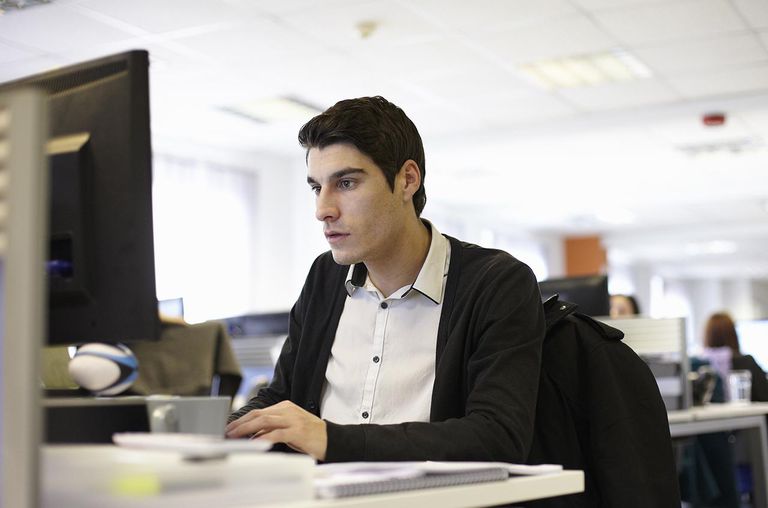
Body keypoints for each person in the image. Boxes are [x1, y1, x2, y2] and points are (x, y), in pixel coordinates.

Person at [225, 96, 545, 463]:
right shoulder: (325, 278)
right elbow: (282, 397)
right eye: (317, 187)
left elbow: (498, 436)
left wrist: (332, 439)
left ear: (407, 180)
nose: (322, 210)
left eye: (345, 183)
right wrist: (221, 433)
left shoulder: (496, 284)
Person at [703, 311, 768, 402]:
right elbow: (765, 395)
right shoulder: (746, 362)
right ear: (733, 334)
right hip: (749, 416)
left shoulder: (701, 365)